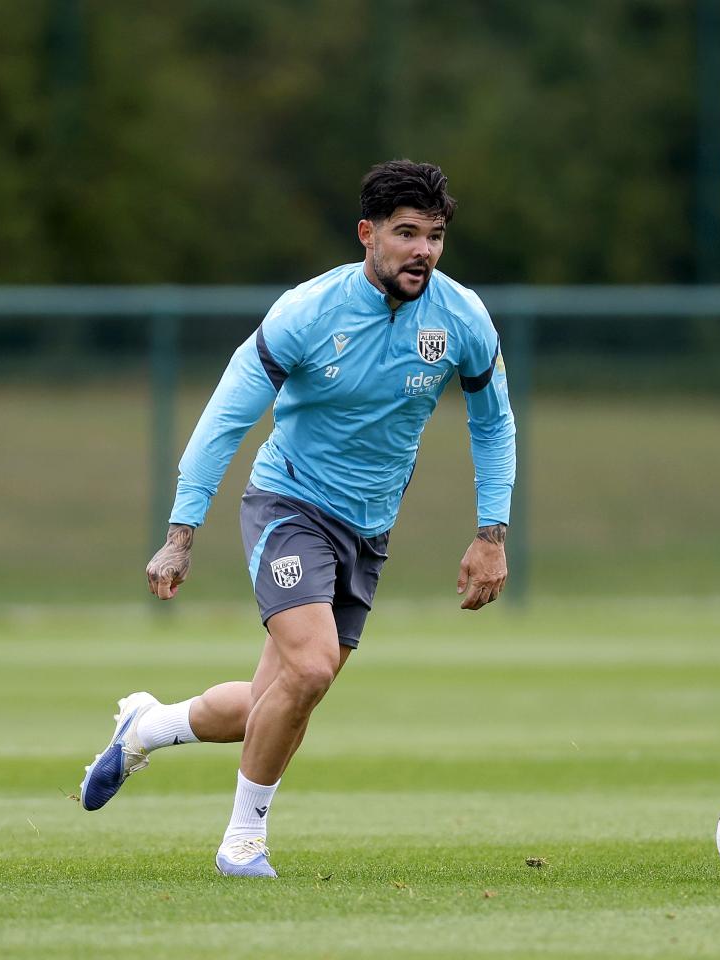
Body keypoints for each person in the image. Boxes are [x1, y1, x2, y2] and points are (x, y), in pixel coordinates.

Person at [78, 160, 517, 875]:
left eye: (435, 237)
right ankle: (243, 842)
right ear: (367, 235)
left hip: (369, 529)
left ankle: (147, 728)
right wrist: (179, 536)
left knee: (272, 698)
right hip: (289, 505)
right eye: (406, 234)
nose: (423, 252)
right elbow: (225, 418)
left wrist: (490, 533)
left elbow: (494, 425)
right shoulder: (307, 312)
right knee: (310, 669)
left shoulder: (461, 316)